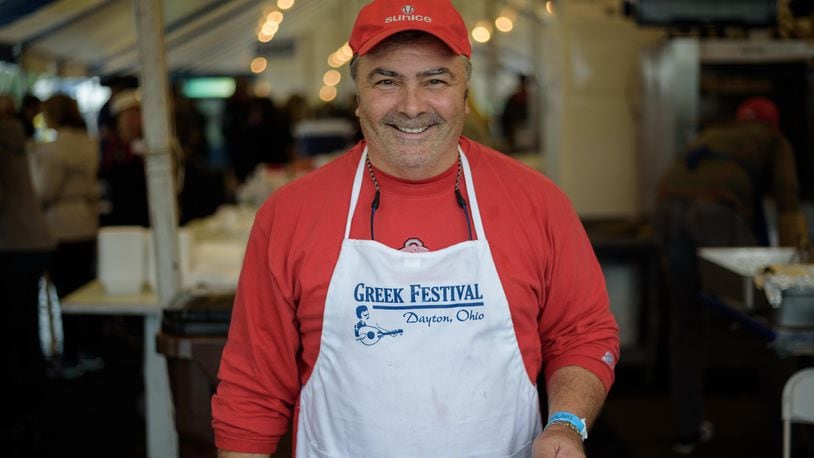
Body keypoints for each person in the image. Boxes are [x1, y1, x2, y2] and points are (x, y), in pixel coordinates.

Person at [211, 1, 619, 457]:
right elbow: (252, 391)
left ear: (466, 88)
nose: (411, 106)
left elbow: (582, 334)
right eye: (387, 80)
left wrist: (564, 423)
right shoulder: (288, 215)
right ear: (358, 92)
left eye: (435, 80)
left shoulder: (538, 204)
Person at [654, 96, 808, 454]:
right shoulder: (773, 139)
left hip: (665, 210)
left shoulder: (713, 134)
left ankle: (687, 432)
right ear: (773, 123)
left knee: (685, 321)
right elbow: (788, 199)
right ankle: (791, 435)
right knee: (774, 319)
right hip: (712, 212)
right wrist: (794, 269)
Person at [0, 104, 57, 457]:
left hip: (11, 245)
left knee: (10, 334)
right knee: (24, 331)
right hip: (33, 239)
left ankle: (15, 414)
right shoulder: (14, 134)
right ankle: (33, 406)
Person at [29, 93, 99, 297]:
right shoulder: (89, 143)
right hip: (86, 219)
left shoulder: (54, 149)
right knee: (85, 287)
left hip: (61, 225)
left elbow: (45, 190)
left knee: (67, 291)